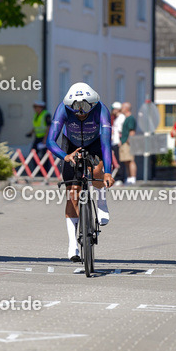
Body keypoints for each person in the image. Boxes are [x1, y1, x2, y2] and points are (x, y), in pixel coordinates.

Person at [46, 83, 114, 262]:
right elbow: (50, 141)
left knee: (98, 169)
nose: (81, 112)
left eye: (85, 108)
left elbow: (107, 144)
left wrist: (108, 172)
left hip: (95, 144)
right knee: (73, 195)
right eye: (76, 109)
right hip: (71, 147)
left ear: (92, 104)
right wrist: (65, 156)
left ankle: (101, 203)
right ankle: (72, 245)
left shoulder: (102, 110)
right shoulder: (62, 109)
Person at [26, 100, 50, 175]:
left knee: (44, 156)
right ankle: (38, 171)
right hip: (37, 137)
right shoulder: (36, 115)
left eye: (36, 107)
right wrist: (31, 133)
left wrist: (45, 139)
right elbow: (36, 126)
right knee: (33, 153)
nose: (34, 108)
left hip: (43, 138)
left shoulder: (46, 114)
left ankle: (45, 172)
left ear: (40, 107)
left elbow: (49, 126)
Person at [119, 102, 137, 184]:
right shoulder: (126, 118)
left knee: (131, 160)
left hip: (128, 142)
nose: (121, 109)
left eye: (122, 107)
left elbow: (132, 131)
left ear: (126, 108)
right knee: (126, 161)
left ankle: (133, 177)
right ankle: (129, 177)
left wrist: (129, 140)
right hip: (124, 142)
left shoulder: (130, 118)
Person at [110, 101, 124, 185]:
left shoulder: (121, 117)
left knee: (119, 161)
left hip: (118, 142)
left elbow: (121, 131)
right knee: (115, 161)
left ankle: (120, 178)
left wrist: (121, 141)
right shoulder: (115, 118)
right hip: (114, 142)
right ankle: (116, 178)